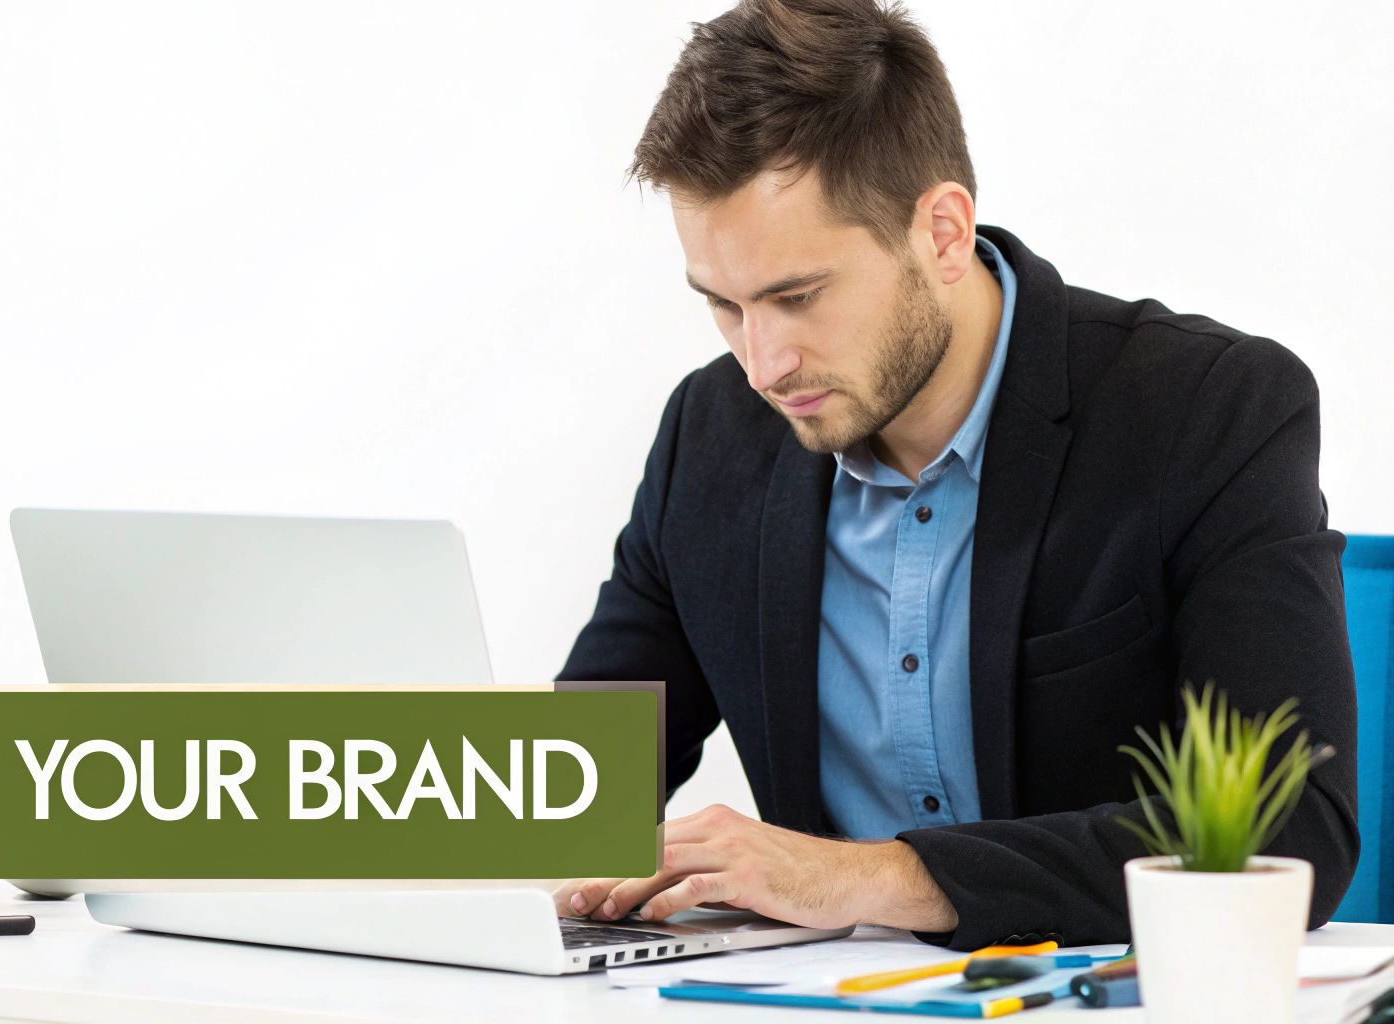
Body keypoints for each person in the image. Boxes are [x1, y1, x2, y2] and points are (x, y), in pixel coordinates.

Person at [555, 0, 1358, 950]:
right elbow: (573, 783)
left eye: (797, 296)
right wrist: (379, 800)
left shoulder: (1205, 411)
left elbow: (1292, 830)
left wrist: (872, 876)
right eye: (723, 306)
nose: (762, 364)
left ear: (941, 231)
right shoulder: (713, 434)